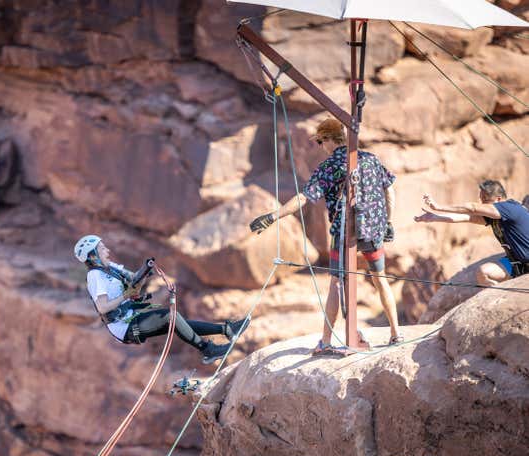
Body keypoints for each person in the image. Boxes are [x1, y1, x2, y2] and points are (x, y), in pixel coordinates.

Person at [248, 118, 401, 355]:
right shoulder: (371, 159)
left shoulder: (329, 167)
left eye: (321, 141)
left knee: (336, 284)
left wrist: (273, 216)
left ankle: (326, 341)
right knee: (380, 278)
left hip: (344, 233)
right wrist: (388, 221)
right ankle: (395, 334)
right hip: (373, 228)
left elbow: (304, 198)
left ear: (330, 139)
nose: (321, 146)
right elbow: (389, 189)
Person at [74, 235, 249, 364]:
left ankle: (226, 330)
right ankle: (208, 350)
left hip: (131, 316)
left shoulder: (110, 268)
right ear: (93, 255)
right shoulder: (95, 276)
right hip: (124, 327)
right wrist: (125, 296)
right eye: (102, 248)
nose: (107, 250)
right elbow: (103, 308)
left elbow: (134, 280)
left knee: (177, 321)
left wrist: (144, 272)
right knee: (169, 317)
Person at [415, 179, 529, 283]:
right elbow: (467, 217)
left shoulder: (508, 207)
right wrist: (435, 217)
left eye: (485, 200)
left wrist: (438, 207)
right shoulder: (494, 216)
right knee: (484, 273)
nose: (482, 205)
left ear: (498, 199)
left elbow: (472, 208)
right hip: (515, 263)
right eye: (481, 199)